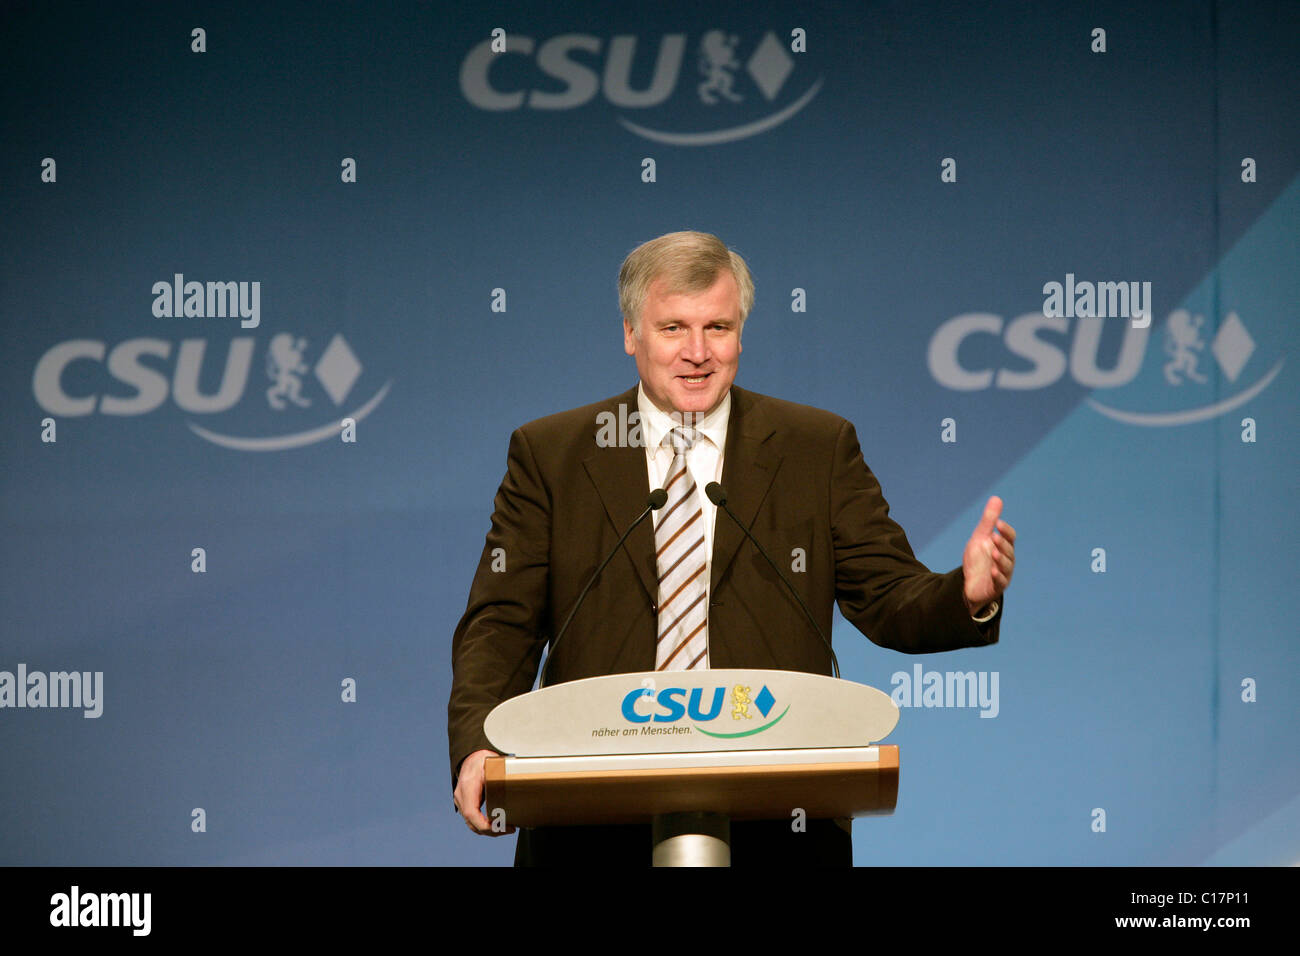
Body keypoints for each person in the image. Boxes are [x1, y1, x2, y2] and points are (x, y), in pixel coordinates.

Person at [447, 230, 1016, 866]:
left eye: (717, 327)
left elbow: (887, 597)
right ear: (631, 334)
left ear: (741, 333)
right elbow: (502, 622)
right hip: (589, 822)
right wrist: (479, 744)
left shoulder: (814, 447)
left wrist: (964, 594)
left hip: (778, 820)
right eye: (673, 329)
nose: (697, 353)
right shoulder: (554, 454)